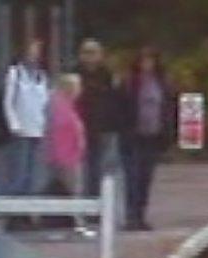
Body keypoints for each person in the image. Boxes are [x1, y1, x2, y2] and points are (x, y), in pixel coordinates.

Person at [119, 46, 176, 231]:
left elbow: (168, 107)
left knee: (146, 178)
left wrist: (168, 131)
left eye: (150, 60)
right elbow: (120, 106)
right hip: (133, 136)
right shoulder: (129, 83)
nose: (147, 64)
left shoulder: (162, 82)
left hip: (153, 136)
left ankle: (141, 214)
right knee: (132, 177)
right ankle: (131, 215)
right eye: (143, 60)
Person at [73, 39, 121, 199]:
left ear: (101, 55)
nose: (90, 57)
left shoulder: (107, 76)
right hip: (78, 128)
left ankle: (100, 203)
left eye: (93, 53)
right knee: (80, 169)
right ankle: (82, 203)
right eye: (86, 52)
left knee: (102, 169)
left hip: (103, 129)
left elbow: (115, 101)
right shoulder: (74, 75)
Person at [2, 39, 50, 196]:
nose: (34, 55)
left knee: (34, 171)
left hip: (38, 129)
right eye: (31, 50)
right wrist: (13, 124)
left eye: (37, 51)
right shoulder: (15, 73)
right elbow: (8, 101)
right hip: (21, 129)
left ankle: (29, 205)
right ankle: (14, 205)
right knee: (19, 170)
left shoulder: (42, 76)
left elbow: (45, 102)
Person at [46, 74, 86, 198]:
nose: (80, 90)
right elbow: (61, 130)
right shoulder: (60, 107)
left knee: (70, 188)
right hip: (66, 156)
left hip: (69, 155)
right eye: (78, 87)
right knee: (71, 189)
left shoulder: (66, 106)